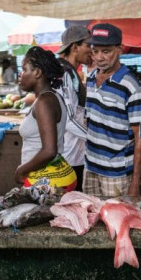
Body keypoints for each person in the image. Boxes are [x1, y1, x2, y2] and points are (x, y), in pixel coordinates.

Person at [83, 23, 141, 197]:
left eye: (106, 51)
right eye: (95, 51)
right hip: (91, 166)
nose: (99, 58)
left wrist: (136, 182)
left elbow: (139, 135)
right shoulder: (90, 78)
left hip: (117, 173)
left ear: (120, 49)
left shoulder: (130, 84)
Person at [14, 47, 77, 192]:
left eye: (24, 70)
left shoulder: (44, 102)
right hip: (58, 174)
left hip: (47, 181)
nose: (20, 75)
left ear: (37, 72)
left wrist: (21, 170)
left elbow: (49, 151)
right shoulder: (51, 96)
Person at [57, 25, 91, 191]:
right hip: (68, 156)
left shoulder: (71, 73)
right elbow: (69, 119)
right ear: (75, 47)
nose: (92, 50)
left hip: (76, 152)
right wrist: (94, 139)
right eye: (88, 45)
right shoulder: (63, 74)